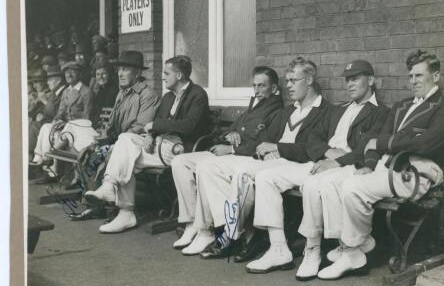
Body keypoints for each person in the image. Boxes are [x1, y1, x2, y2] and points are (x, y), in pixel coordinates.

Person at [315, 50, 444, 280]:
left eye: (419, 76)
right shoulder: (402, 105)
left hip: (415, 175)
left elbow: (424, 145)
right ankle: (359, 243)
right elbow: (374, 141)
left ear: (436, 76)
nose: (414, 81)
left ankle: (352, 250)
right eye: (411, 76)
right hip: (387, 168)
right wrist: (369, 164)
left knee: (352, 189)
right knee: (338, 182)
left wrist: (383, 143)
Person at [246, 59, 389, 276]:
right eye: (347, 80)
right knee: (266, 177)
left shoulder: (381, 113)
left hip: (349, 167)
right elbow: (313, 138)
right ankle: (278, 248)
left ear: (370, 80)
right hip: (322, 162)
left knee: (313, 185)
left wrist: (338, 161)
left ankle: (313, 249)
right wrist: (329, 154)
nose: (349, 84)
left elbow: (366, 149)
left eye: (355, 79)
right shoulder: (338, 110)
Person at [180, 56, 329, 257]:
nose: (289, 86)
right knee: (208, 167)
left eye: (293, 81)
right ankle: (224, 229)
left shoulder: (325, 111)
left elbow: (312, 148)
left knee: (243, 174)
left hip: (296, 164)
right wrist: (265, 150)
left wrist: (277, 148)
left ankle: (230, 236)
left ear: (309, 80)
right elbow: (265, 140)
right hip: (273, 162)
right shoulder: (287, 111)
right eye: (287, 81)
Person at [84, 55, 210, 233]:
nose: (163, 77)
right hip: (160, 147)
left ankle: (121, 205)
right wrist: (151, 134)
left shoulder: (197, 94)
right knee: (126, 141)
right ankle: (119, 203)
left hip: (180, 152)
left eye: (166, 73)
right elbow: (156, 124)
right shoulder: (168, 97)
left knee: (126, 156)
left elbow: (189, 126)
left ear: (180, 75)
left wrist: (155, 126)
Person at [171, 66, 284, 253]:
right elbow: (229, 130)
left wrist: (232, 147)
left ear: (273, 89)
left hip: (244, 158)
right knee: (180, 162)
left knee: (206, 167)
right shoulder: (254, 105)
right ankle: (192, 223)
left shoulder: (276, 111)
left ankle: (210, 230)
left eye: (262, 86)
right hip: (228, 153)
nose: (256, 90)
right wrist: (230, 134)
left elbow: (262, 145)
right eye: (254, 86)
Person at [68, 50, 160, 221]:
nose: (120, 73)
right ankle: (96, 206)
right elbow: (111, 125)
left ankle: (115, 209)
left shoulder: (147, 95)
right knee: (89, 154)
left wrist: (113, 143)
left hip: (133, 144)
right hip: (119, 141)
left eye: (125, 69)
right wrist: (99, 140)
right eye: (119, 70)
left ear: (138, 73)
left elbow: (140, 127)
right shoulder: (122, 93)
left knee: (106, 155)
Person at [31, 61, 93, 183]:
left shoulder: (86, 92)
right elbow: (60, 112)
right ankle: (39, 159)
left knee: (56, 134)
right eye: (66, 72)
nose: (69, 74)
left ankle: (51, 171)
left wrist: (66, 124)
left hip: (79, 128)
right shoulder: (66, 91)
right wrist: (57, 121)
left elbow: (87, 118)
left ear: (79, 73)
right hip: (66, 127)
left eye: (72, 71)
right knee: (47, 127)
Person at [28, 66, 66, 156]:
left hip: (54, 122)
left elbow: (55, 112)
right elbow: (37, 111)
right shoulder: (51, 93)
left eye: (49, 80)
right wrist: (37, 112)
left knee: (34, 126)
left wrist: (44, 101)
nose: (48, 83)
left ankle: (32, 154)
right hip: (46, 121)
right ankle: (33, 155)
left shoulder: (59, 93)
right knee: (32, 124)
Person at [89, 56, 118, 128]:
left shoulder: (114, 91)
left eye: (103, 74)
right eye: (98, 74)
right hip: (99, 126)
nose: (100, 77)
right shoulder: (100, 91)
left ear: (110, 74)